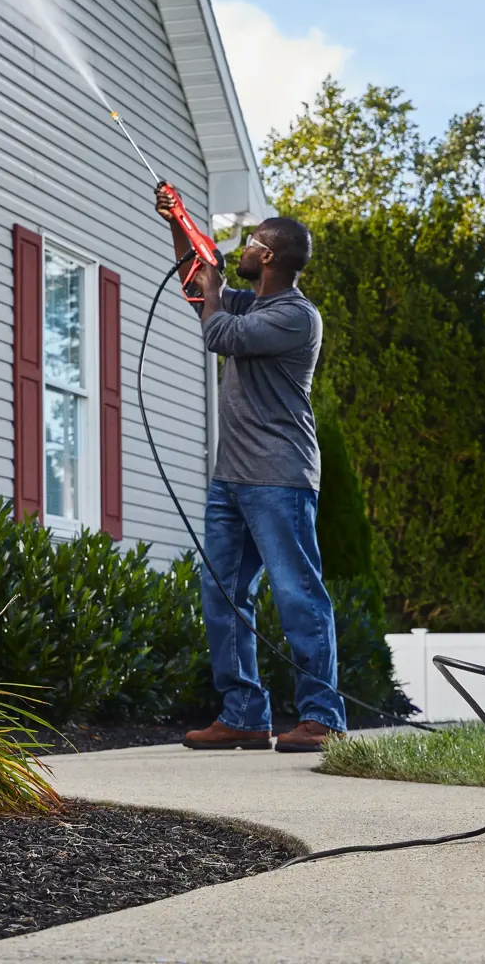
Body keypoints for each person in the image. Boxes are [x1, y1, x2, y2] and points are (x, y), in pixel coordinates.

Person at [156, 185, 347, 753]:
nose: (240, 247)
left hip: (280, 477)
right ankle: (243, 713)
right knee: (222, 594)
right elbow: (198, 287)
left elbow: (218, 333)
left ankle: (322, 716)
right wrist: (178, 221)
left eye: (251, 241)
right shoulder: (252, 302)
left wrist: (215, 283)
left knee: (297, 594)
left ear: (267, 256)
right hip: (232, 479)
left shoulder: (295, 316)